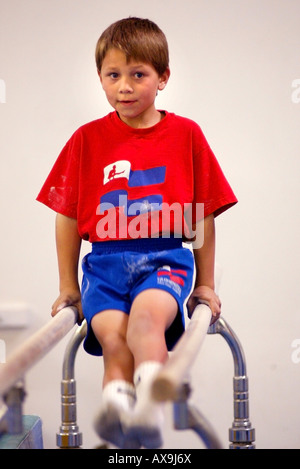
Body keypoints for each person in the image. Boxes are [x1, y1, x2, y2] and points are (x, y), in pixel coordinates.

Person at [37, 17, 237, 449]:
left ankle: (148, 407)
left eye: (138, 74)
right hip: (104, 265)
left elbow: (202, 214)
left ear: (163, 78)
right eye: (113, 75)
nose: (124, 87)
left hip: (162, 258)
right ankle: (120, 415)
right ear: (100, 79)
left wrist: (204, 282)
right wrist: (68, 285)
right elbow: (68, 217)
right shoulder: (87, 140)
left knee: (145, 323)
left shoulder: (186, 135)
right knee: (113, 340)